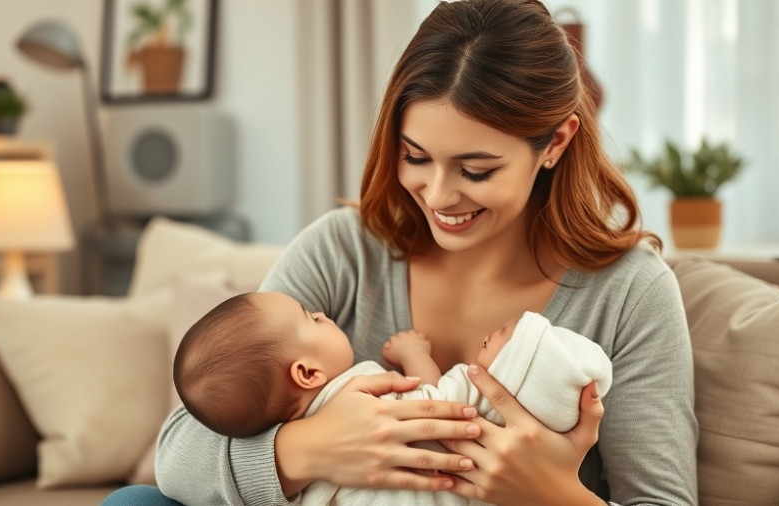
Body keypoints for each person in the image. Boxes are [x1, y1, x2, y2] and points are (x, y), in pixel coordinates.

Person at [107, 0, 698, 504]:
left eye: (475, 168)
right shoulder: (343, 250)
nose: (438, 196)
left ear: (555, 144)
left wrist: (554, 493)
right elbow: (180, 449)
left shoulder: (629, 291)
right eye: (415, 157)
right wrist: (313, 449)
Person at [173, 290, 612, 505]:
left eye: (477, 168)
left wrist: (559, 494)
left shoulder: (281, 434)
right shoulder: (359, 388)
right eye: (312, 317)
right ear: (307, 373)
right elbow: (433, 398)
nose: (323, 313)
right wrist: (415, 353)